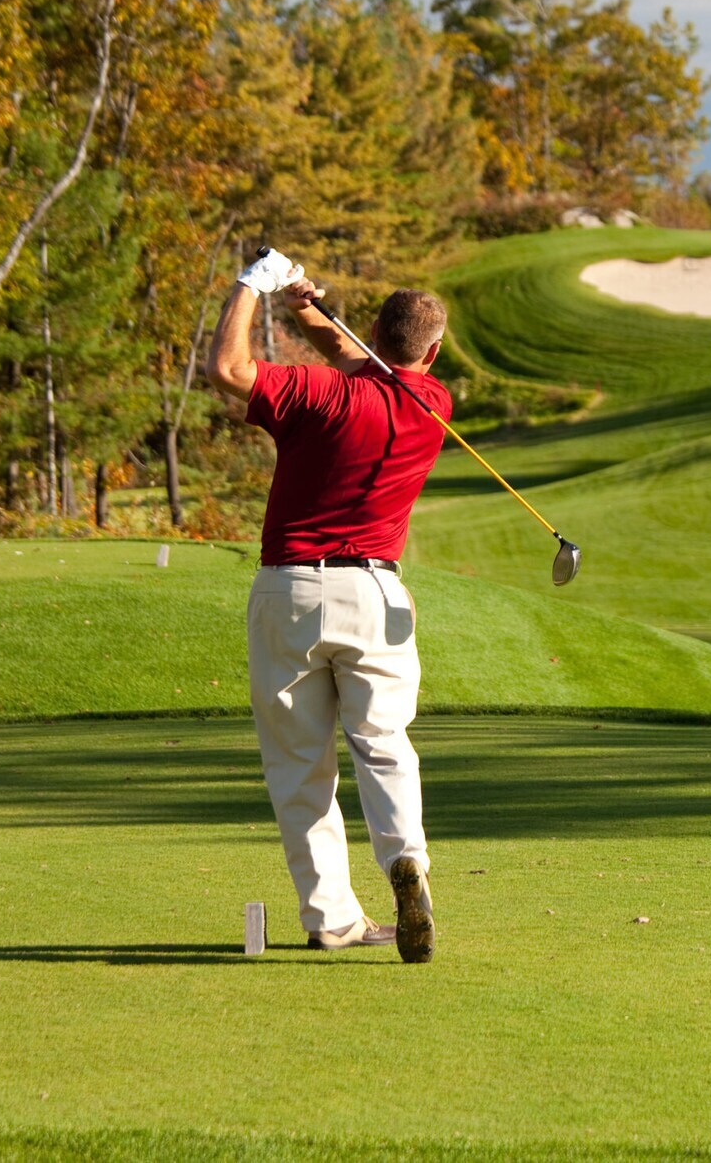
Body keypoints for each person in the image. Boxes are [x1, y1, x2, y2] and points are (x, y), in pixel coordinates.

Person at [205, 247, 447, 963]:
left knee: (300, 767)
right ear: (432, 351)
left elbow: (229, 369)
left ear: (374, 332)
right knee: (383, 744)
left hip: (289, 591)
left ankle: (332, 917)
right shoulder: (435, 404)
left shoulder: (320, 395)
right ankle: (406, 861)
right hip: (374, 593)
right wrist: (303, 303)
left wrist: (254, 285)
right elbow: (360, 355)